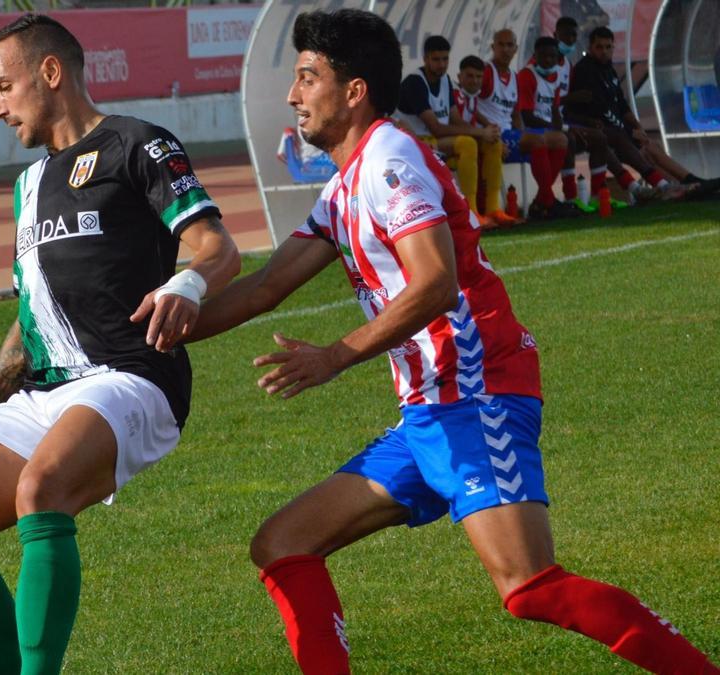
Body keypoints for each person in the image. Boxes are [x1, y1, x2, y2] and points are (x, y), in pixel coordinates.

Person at [190, 9, 720, 674]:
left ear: (354, 91)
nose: (294, 97)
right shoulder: (347, 183)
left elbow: (436, 283)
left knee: (529, 586)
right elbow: (265, 286)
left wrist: (335, 355)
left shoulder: (389, 161)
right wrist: (161, 330)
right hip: (428, 414)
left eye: (306, 79)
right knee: (282, 543)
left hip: (477, 394)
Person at [0, 13, 240, 675]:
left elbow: (217, 247)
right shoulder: (28, 187)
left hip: (130, 376)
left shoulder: (138, 145)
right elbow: (30, 314)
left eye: (3, 87)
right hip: (45, 388)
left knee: (42, 486)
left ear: (52, 72)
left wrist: (187, 284)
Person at [564, 27, 709, 201]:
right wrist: (630, 131)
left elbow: (621, 104)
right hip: (599, 129)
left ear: (613, 47)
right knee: (644, 149)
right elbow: (603, 112)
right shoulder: (586, 71)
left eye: (608, 47)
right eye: (599, 47)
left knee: (650, 145)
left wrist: (638, 126)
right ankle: (676, 187)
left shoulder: (608, 70)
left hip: (612, 129)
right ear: (590, 47)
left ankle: (686, 183)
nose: (604, 52)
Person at [396, 36, 517, 228]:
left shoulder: (445, 81)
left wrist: (484, 134)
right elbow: (436, 128)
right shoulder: (415, 83)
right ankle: (471, 213)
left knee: (491, 142)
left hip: (436, 143)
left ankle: (494, 209)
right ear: (426, 59)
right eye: (436, 59)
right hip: (416, 143)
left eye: (445, 59)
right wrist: (479, 132)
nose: (442, 65)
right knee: (467, 142)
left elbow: (456, 120)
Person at [479, 29, 575, 219]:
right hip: (492, 135)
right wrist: (488, 131)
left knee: (561, 140)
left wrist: (521, 135)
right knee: (538, 141)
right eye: (501, 45)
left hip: (509, 134)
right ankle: (548, 202)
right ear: (493, 47)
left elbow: (515, 115)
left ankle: (541, 200)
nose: (505, 50)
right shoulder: (486, 72)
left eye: (510, 45)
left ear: (516, 49)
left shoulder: (513, 76)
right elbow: (471, 105)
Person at [518, 36, 615, 213]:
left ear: (557, 58)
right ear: (535, 56)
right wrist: (566, 128)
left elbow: (556, 113)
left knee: (599, 137)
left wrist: (567, 125)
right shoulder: (526, 75)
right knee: (564, 138)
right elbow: (527, 117)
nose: (548, 60)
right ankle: (565, 198)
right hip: (527, 131)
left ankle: (596, 195)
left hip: (550, 130)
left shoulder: (556, 76)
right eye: (543, 56)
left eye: (552, 57)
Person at [453, 55, 517, 226]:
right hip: (443, 143)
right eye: (470, 76)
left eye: (479, 77)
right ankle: (472, 211)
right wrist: (483, 132)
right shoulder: (455, 95)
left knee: (494, 144)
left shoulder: (472, 97)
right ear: (459, 77)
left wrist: (491, 134)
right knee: (470, 144)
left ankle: (493, 209)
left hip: (462, 141)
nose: (475, 81)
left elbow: (474, 121)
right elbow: (456, 124)